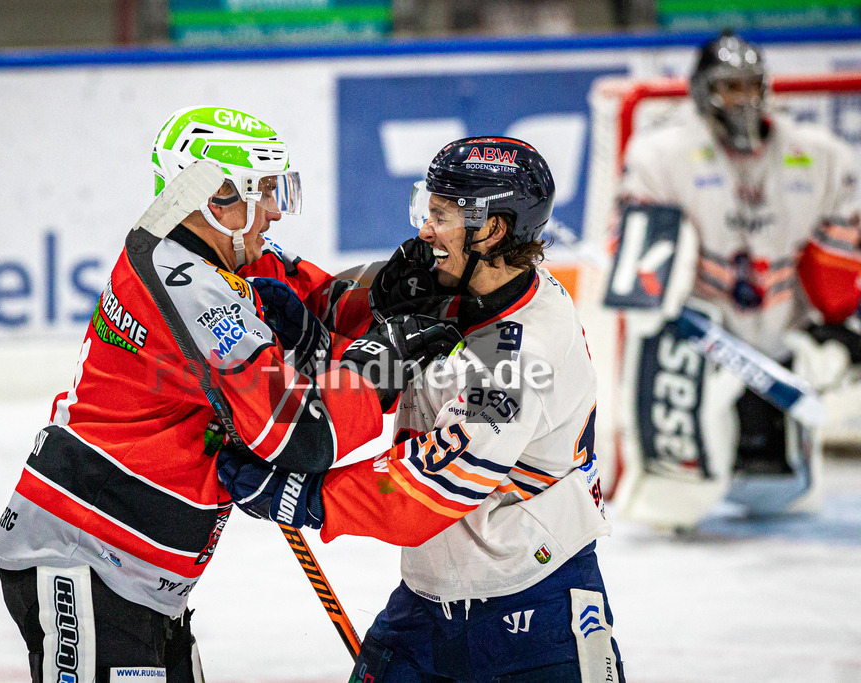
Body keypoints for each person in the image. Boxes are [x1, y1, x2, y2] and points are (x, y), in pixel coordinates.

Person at [0, 105, 459, 681]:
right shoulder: (182, 281)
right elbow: (299, 431)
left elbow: (323, 301)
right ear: (213, 196)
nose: (272, 213)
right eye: (260, 192)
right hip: (85, 557)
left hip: (141, 576)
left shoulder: (223, 258)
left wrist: (391, 288)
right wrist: (381, 365)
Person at [218, 137, 626, 681]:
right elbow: (380, 349)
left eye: (439, 214)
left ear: (492, 228)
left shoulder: (517, 351)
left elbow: (427, 490)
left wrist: (303, 498)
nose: (423, 229)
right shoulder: (469, 283)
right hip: (429, 597)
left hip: (532, 614)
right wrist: (314, 321)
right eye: (424, 209)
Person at [608, 30, 861, 527]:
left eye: (750, 85)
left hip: (779, 321)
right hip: (701, 325)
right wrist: (664, 311)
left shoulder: (821, 154)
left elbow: (841, 251)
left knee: (779, 491)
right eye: (729, 87)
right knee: (673, 495)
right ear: (703, 90)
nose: (742, 99)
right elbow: (640, 262)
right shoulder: (661, 153)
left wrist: (836, 321)